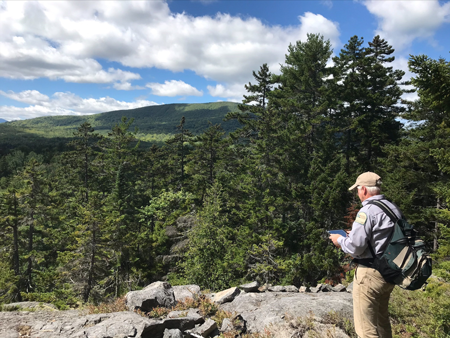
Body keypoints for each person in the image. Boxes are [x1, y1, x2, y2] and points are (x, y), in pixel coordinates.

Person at [329, 172, 402, 338]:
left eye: (357, 190)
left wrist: (340, 240)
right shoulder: (392, 208)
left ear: (363, 190)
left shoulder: (367, 211)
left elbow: (355, 248)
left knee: (366, 330)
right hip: (389, 272)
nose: (357, 193)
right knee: (382, 324)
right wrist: (354, 233)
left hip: (370, 274)